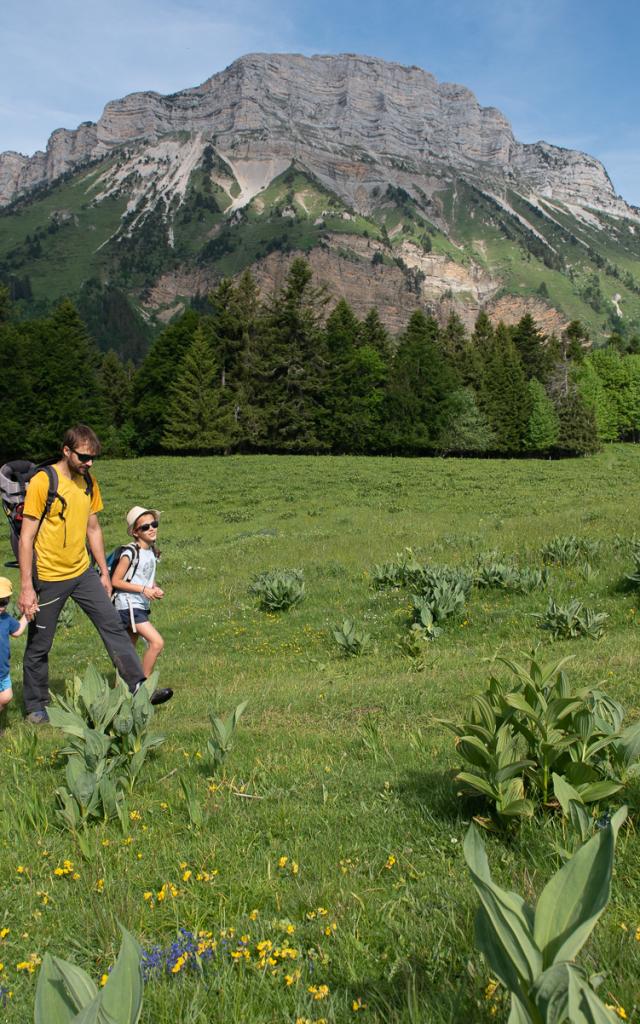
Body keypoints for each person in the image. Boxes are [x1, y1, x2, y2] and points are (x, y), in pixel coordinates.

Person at [17, 424, 172, 722]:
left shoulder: (88, 482)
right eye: (84, 457)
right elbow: (26, 537)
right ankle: (36, 706)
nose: (89, 463)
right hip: (48, 576)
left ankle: (138, 686)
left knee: (113, 626)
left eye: (93, 459)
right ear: (66, 450)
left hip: (83, 572)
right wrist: (26, 585)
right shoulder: (42, 482)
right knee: (40, 643)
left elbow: (93, 528)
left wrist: (103, 571)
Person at [112, 506, 166, 678]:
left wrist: (154, 589)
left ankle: (121, 690)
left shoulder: (151, 551)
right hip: (128, 605)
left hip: (139, 605)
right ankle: (143, 686)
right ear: (135, 532)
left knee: (129, 651)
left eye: (154, 524)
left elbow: (145, 578)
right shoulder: (130, 552)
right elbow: (116, 581)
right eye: (145, 527)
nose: (151, 528)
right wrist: (143, 589)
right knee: (157, 643)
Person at [0, 576, 27, 734]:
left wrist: (27, 616)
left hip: (3, 671)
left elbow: (17, 631)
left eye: (4, 602)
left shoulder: (6, 619)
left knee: (7, 697)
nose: (1, 607)